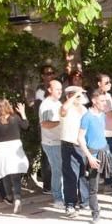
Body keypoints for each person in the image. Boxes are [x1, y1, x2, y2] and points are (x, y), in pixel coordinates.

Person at [78, 89, 112, 222]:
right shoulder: (87, 117)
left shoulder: (102, 115)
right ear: (94, 101)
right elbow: (80, 138)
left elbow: (101, 132)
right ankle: (95, 213)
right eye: (102, 101)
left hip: (106, 151)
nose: (105, 104)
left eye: (105, 101)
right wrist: (89, 157)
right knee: (94, 187)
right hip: (94, 154)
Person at [0, 99, 30, 214]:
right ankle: (17, 198)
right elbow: (26, 126)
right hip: (15, 147)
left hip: (2, 149)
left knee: (5, 173)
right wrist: (23, 113)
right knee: (15, 174)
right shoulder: (15, 118)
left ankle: (9, 196)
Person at [59, 86, 89, 218]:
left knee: (83, 174)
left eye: (80, 95)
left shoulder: (84, 109)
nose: (80, 97)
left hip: (82, 145)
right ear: (69, 96)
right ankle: (70, 205)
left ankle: (85, 202)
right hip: (69, 145)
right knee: (71, 176)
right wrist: (74, 95)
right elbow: (64, 109)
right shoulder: (65, 107)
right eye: (77, 95)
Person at [38, 81, 64, 209]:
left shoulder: (58, 103)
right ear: (49, 89)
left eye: (61, 89)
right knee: (57, 170)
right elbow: (45, 124)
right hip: (51, 143)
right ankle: (57, 198)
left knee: (61, 170)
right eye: (57, 89)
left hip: (59, 141)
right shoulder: (47, 105)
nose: (60, 91)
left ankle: (62, 196)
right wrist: (61, 122)